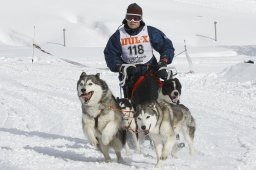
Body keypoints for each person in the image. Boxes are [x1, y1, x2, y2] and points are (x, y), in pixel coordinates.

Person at [104, 3, 175, 98]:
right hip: (130, 75)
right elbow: (110, 55)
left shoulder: (150, 32)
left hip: (150, 71)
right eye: (129, 17)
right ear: (126, 18)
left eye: (136, 18)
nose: (132, 21)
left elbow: (166, 46)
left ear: (141, 18)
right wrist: (121, 67)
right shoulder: (119, 35)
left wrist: (163, 62)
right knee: (133, 106)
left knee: (155, 103)